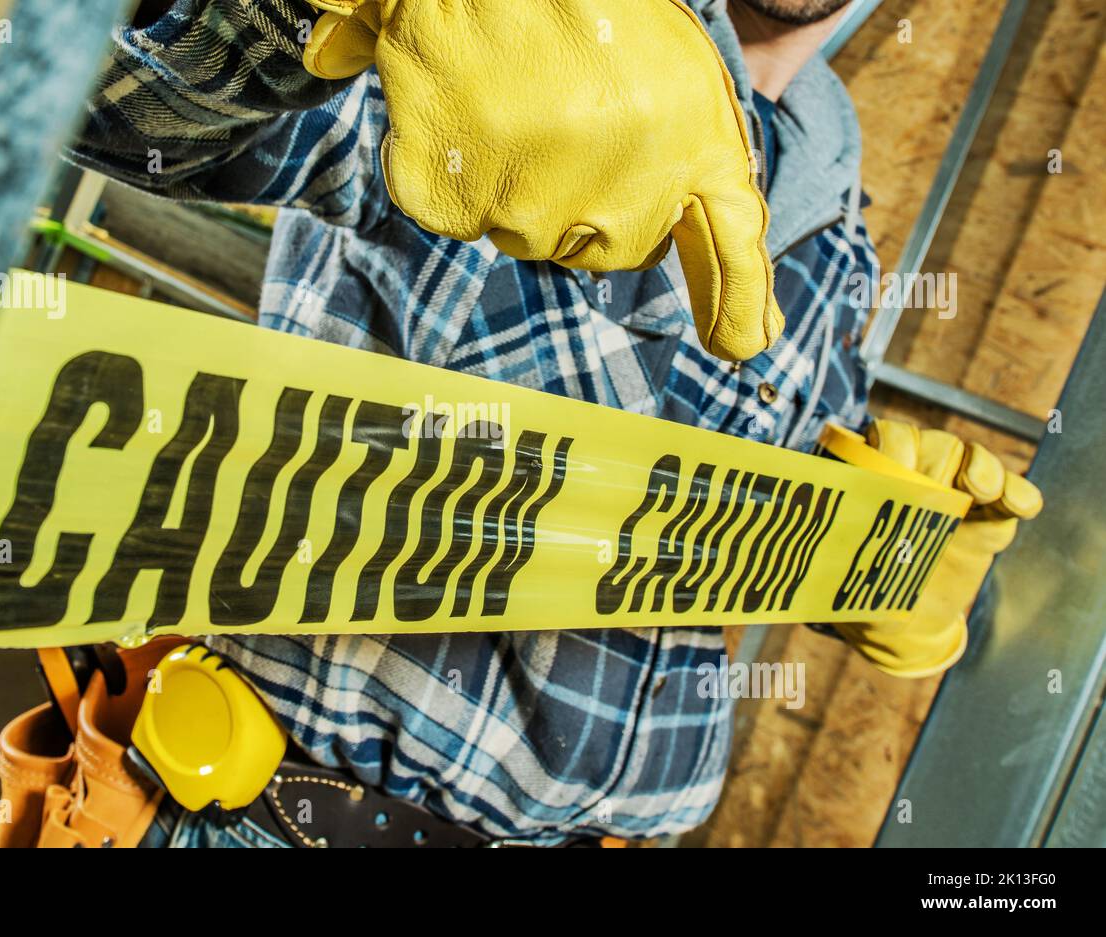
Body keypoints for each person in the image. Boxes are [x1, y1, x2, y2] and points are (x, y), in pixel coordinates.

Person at [65, 0, 877, 846]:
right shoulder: (532, 25)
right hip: (291, 815)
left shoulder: (842, 232)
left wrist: (881, 546)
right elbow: (117, 105)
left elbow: (788, 475)